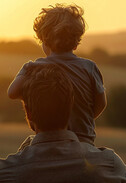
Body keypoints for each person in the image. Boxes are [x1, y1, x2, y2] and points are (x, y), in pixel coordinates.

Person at [8, 3, 106, 145]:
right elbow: (101, 103)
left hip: (48, 141)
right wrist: (83, 118)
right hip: (84, 140)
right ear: (76, 44)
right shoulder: (89, 67)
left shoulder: (34, 68)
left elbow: (12, 93)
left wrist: (26, 71)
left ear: (44, 41)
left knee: (24, 150)